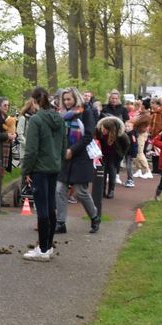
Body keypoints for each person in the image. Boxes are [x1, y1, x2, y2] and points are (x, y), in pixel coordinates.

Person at [21, 87, 65, 262]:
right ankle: (48, 246)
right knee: (51, 206)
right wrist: (59, 162)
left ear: (34, 101)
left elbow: (31, 150)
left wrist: (26, 171)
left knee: (42, 209)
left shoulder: (36, 120)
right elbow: (63, 145)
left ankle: (44, 249)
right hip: (54, 167)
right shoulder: (59, 119)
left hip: (39, 168)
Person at [55, 87, 101, 234]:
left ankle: (94, 216)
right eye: (64, 100)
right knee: (59, 189)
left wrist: (72, 150)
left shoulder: (86, 112)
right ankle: (60, 222)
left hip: (81, 156)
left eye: (69, 99)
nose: (67, 102)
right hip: (65, 157)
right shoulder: (63, 115)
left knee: (81, 192)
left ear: (75, 98)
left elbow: (88, 136)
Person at [94, 116, 130, 199]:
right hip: (103, 155)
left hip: (114, 156)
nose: (103, 131)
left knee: (112, 172)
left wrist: (122, 154)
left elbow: (127, 144)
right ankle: (102, 190)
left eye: (105, 129)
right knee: (102, 172)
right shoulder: (100, 134)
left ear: (110, 130)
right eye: (102, 129)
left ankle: (111, 190)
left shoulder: (121, 136)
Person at [123, 119, 138, 187]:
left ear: (132, 127)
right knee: (128, 166)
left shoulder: (132, 134)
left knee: (129, 167)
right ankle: (129, 179)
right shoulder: (126, 133)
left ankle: (131, 180)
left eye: (128, 126)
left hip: (130, 153)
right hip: (127, 152)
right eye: (125, 126)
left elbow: (134, 144)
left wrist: (134, 154)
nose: (127, 128)